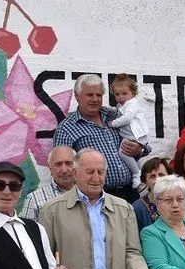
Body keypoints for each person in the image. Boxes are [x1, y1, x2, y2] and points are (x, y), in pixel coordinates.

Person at [53, 74, 147, 202]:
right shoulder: (67, 128)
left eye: (98, 95)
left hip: (131, 193)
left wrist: (140, 149)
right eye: (90, 95)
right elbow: (63, 169)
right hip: (96, 198)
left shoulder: (114, 115)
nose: (95, 99)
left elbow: (142, 139)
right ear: (77, 96)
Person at [108, 74, 150, 190]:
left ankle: (137, 174)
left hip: (134, 134)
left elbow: (127, 118)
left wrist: (113, 123)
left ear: (133, 93)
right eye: (117, 94)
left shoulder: (132, 104)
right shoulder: (122, 104)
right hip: (129, 134)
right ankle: (141, 174)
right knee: (131, 155)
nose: (120, 97)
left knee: (123, 152)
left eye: (124, 93)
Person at [20, 146, 75, 220]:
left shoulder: (87, 194)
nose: (64, 170)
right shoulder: (34, 199)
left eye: (69, 163)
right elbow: (26, 230)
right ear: (50, 169)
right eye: (58, 164)